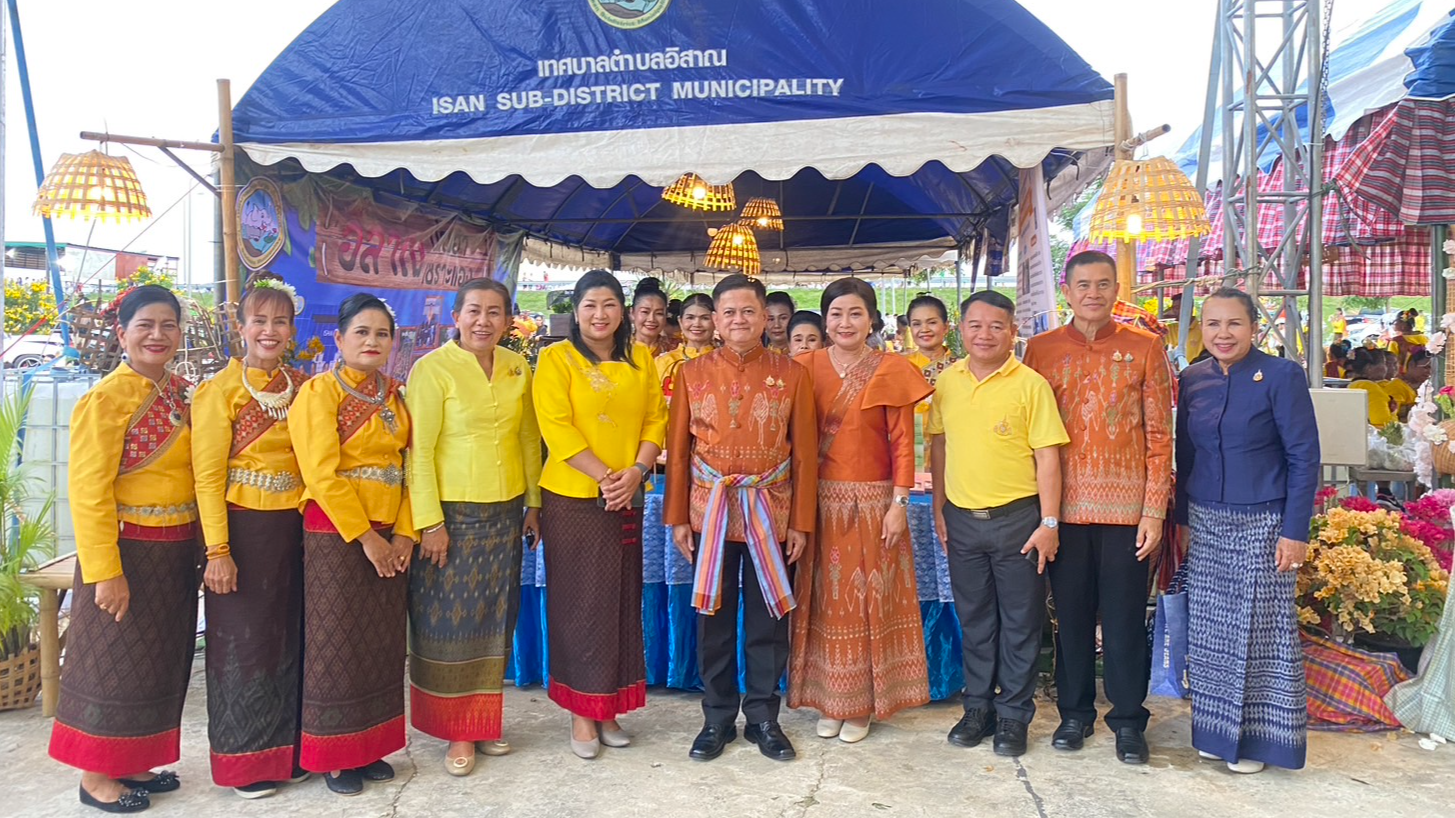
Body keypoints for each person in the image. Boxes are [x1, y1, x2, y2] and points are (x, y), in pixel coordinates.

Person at [50, 285, 199, 814]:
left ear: (180, 333)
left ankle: (134, 760)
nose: (157, 335)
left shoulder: (184, 395)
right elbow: (88, 492)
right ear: (122, 334)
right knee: (109, 663)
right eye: (145, 326)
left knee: (156, 661)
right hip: (126, 551)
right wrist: (105, 571)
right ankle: (95, 775)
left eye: (168, 325)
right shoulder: (105, 399)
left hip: (177, 551)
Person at [1022, 251, 1174, 764]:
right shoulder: (1040, 351)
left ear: (1116, 289)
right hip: (1062, 511)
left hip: (1128, 512)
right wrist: (1041, 514)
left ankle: (1129, 719)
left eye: (1103, 284)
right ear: (1066, 290)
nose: (1093, 293)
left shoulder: (1146, 348)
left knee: (1127, 618)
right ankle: (1074, 714)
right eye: (1083, 284)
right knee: (1071, 615)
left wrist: (1153, 511)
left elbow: (1160, 437)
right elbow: (1031, 438)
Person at [665, 274, 818, 762]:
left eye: (748, 311)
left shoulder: (792, 373)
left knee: (768, 616)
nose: (738, 320)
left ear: (767, 317)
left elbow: (807, 456)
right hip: (709, 509)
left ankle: (763, 717)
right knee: (712, 615)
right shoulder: (692, 373)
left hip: (770, 509)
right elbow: (677, 451)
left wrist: (801, 522)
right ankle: (716, 717)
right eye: (728, 312)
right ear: (714, 320)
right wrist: (676, 519)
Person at [1176, 287, 1319, 774]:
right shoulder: (1191, 380)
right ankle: (1215, 733)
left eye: (1234, 323)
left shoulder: (1281, 376)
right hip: (1206, 521)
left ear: (1253, 327)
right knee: (1213, 632)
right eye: (1213, 324)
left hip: (1264, 522)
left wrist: (1294, 530)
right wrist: (1180, 522)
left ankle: (1258, 744)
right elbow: (1185, 456)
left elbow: (1304, 457)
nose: (1223, 333)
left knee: (1260, 632)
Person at [405, 278, 543, 777]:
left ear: (509, 320)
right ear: (455, 316)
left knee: (495, 618)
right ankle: (456, 732)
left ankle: (484, 721)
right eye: (474, 312)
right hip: (453, 515)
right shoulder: (432, 369)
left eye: (495, 313)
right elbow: (417, 451)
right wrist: (429, 522)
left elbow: (528, 436)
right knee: (451, 622)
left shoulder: (515, 365)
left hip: (506, 512)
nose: (484, 321)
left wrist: (532, 503)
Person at [789, 278, 933, 743]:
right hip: (819, 501)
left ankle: (863, 704)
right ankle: (830, 699)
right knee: (824, 604)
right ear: (824, 319)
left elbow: (902, 443)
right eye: (835, 314)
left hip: (874, 502)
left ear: (871, 319)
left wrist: (899, 503)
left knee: (866, 602)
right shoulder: (803, 366)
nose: (844, 323)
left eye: (855, 313)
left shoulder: (891, 367)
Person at [533, 270, 668, 759]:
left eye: (610, 304)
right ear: (576, 310)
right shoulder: (556, 359)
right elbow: (556, 426)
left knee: (619, 601)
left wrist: (635, 471)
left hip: (628, 493)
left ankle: (608, 706)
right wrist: (606, 477)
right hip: (573, 497)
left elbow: (658, 418)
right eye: (590, 304)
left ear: (623, 311)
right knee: (580, 603)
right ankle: (581, 714)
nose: (600, 314)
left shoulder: (641, 359)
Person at [929, 290, 1068, 758]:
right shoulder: (947, 382)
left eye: (996, 326)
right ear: (961, 329)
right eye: (975, 325)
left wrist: (1049, 522)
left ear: (1012, 332)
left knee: (1020, 622)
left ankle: (1013, 716)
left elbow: (1048, 457)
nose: (985, 334)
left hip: (1018, 521)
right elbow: (940, 447)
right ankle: (978, 708)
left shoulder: (1031, 384)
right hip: (962, 521)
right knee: (975, 620)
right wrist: (939, 510)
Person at [290, 293, 417, 796]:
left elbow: (409, 469)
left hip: (391, 535)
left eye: (382, 333)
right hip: (338, 535)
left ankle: (370, 746)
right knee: (335, 642)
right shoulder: (320, 392)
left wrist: (404, 533)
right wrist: (367, 537)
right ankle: (336, 755)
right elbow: (321, 472)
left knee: (380, 644)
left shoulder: (396, 394)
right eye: (361, 332)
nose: (372, 341)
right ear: (339, 339)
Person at [192, 277, 311, 799]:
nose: (269, 330)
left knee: (292, 639)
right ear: (241, 328)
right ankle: (245, 762)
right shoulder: (219, 392)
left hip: (298, 530)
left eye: (279, 322)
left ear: (291, 330)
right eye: (259, 321)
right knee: (245, 646)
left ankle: (289, 752)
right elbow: (207, 476)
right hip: (242, 532)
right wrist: (217, 550)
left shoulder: (305, 386)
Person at [904, 295, 960, 472]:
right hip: (910, 456)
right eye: (917, 324)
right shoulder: (899, 368)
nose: (924, 329)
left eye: (932, 322)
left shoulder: (963, 368)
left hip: (953, 454)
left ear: (946, 327)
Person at [656, 293, 716, 400]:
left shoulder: (725, 362)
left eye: (705, 318)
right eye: (690, 318)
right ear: (680, 321)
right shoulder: (663, 362)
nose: (697, 324)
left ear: (715, 320)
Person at [1345, 347, 1395, 427]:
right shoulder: (1369, 387)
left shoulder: (1356, 385)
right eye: (1384, 363)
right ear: (1369, 368)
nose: (1386, 368)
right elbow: (1382, 422)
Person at [1386, 349, 1431, 421]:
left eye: (1432, 368)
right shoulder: (1396, 386)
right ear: (1411, 365)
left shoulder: (1428, 385)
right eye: (1426, 367)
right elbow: (1392, 414)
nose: (1430, 372)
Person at [630, 277, 670, 355]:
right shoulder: (618, 349)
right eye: (645, 312)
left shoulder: (675, 349)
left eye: (659, 313)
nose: (651, 319)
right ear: (632, 313)